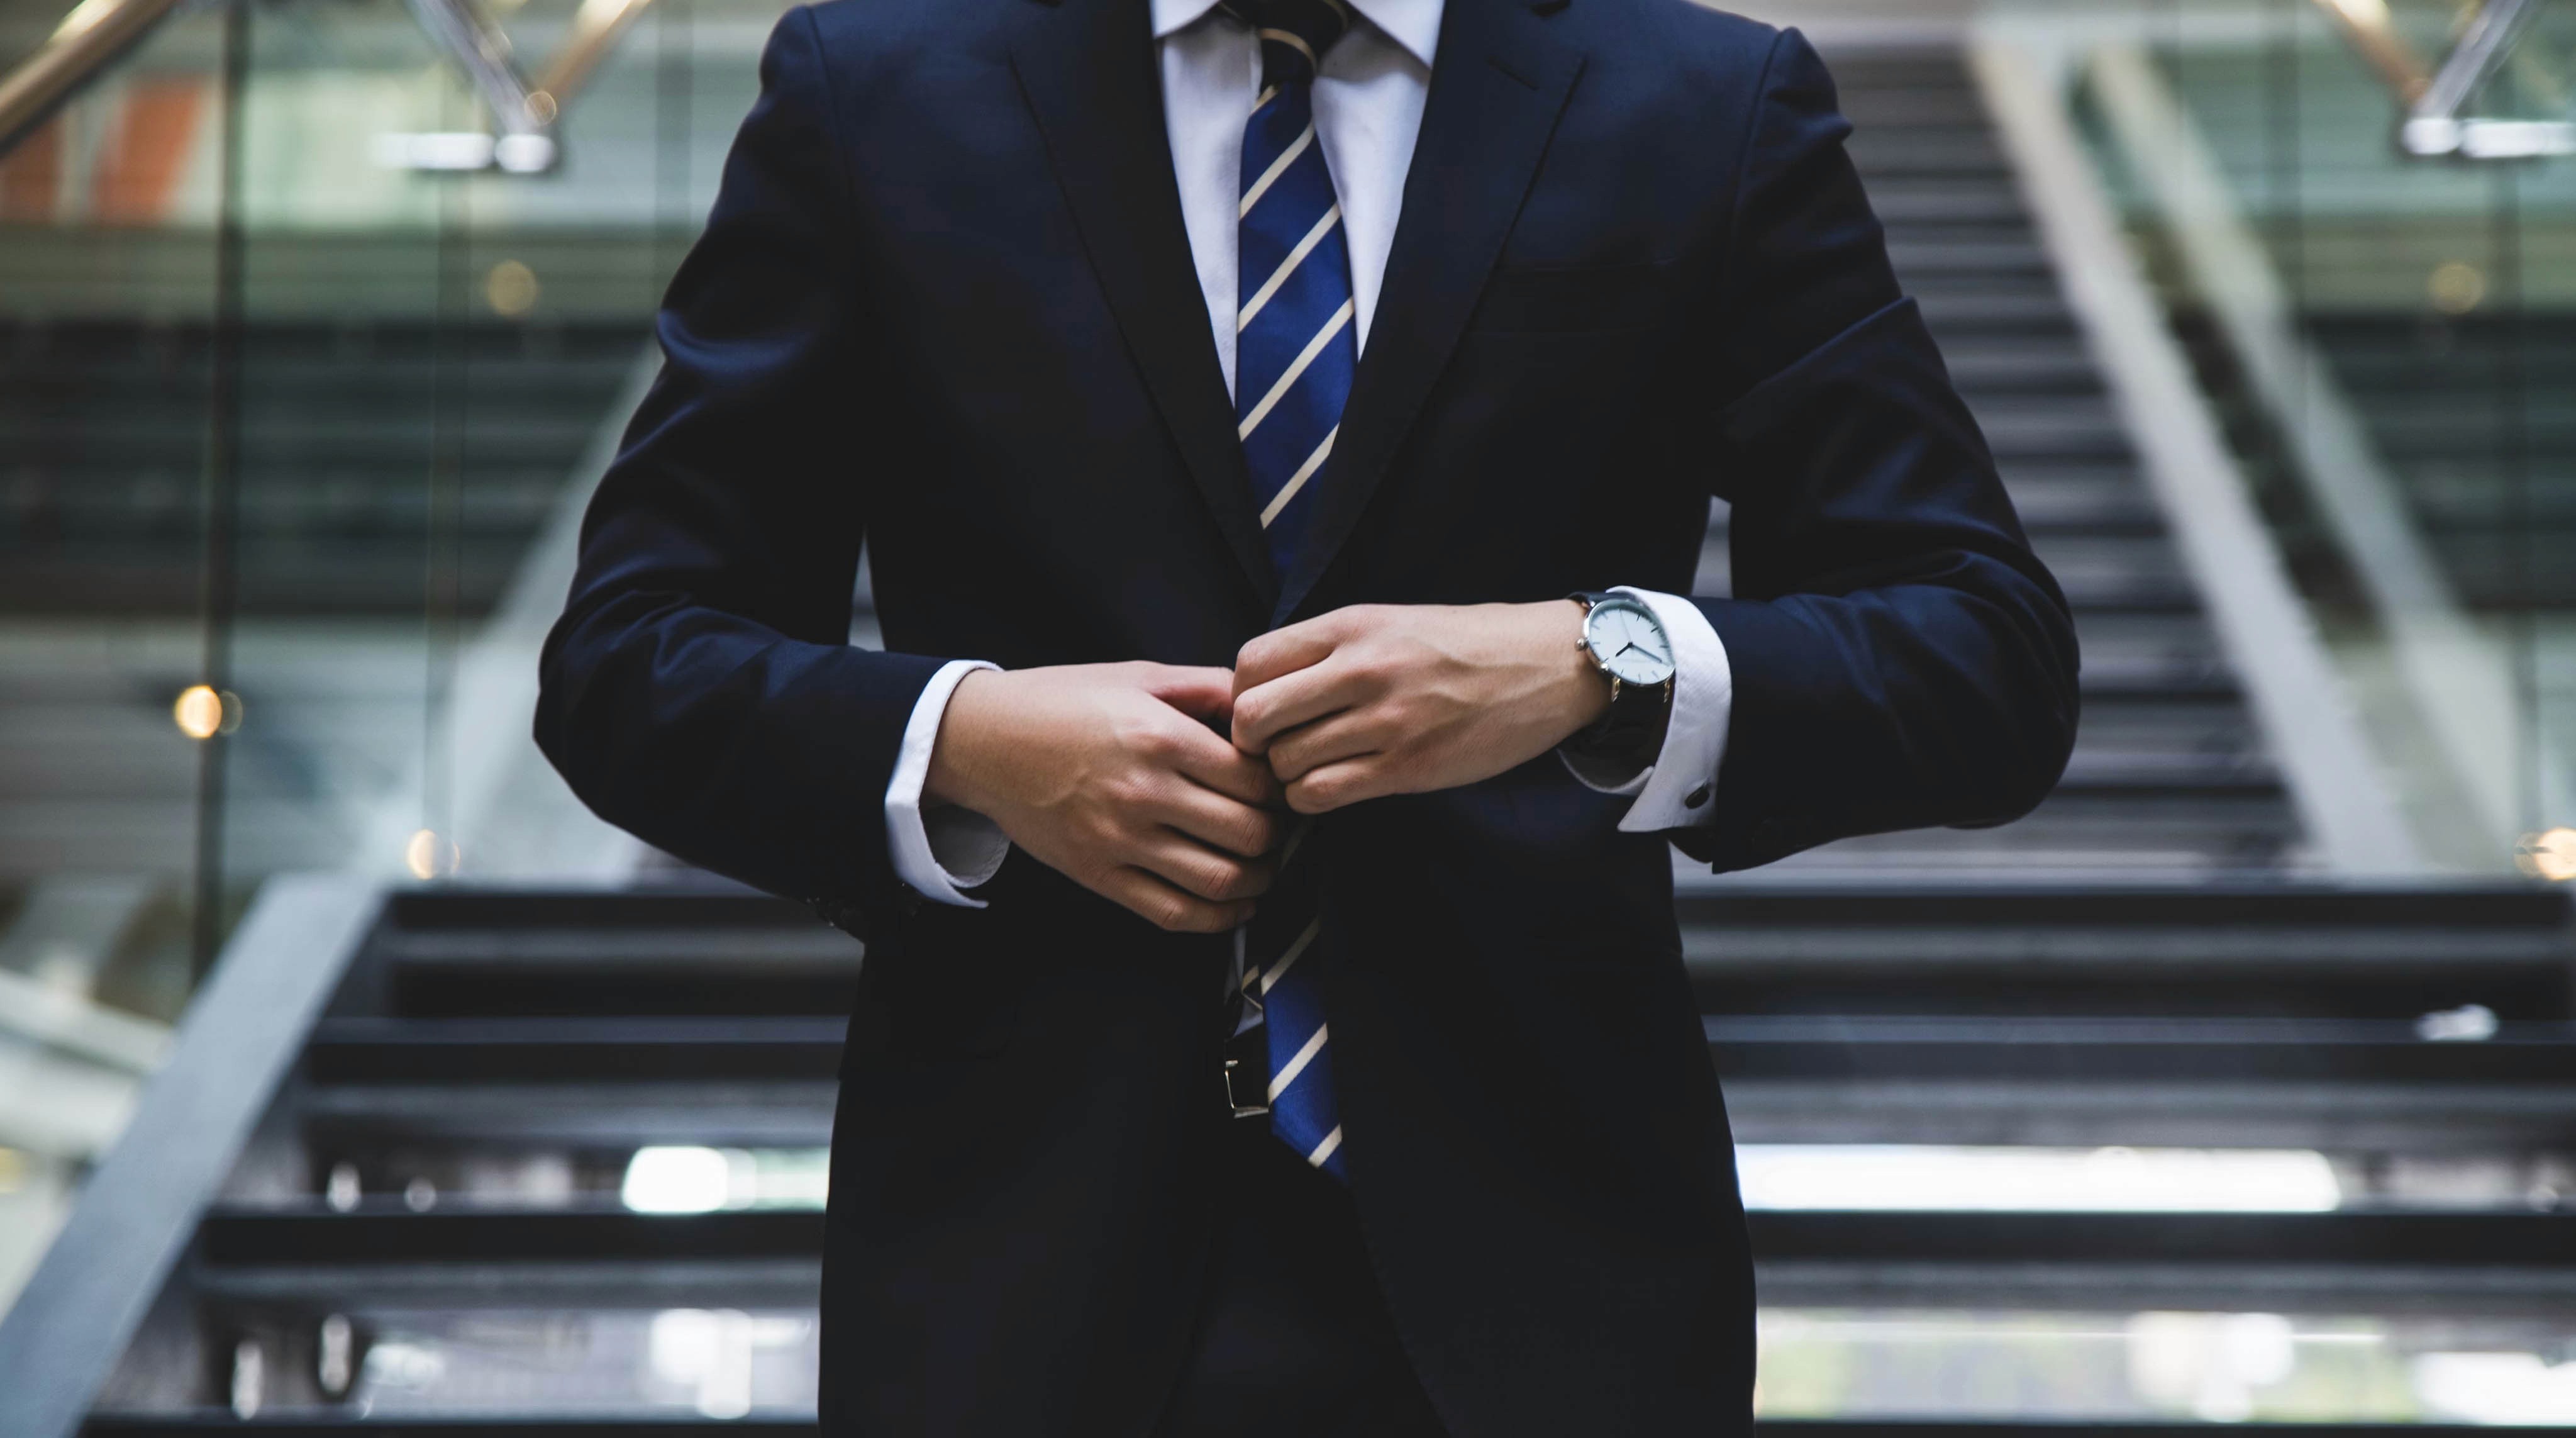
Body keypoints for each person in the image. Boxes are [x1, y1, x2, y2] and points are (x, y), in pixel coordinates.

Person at [535, 0, 2079, 1429]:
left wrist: (1599, 664)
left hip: (1551, 1281)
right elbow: (626, 659)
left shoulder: (1701, 101)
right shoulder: (874, 88)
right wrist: (968, 745)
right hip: (1008, 1268)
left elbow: (1983, 652)